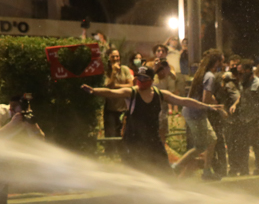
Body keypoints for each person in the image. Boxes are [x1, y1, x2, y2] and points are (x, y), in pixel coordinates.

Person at [82, 66, 219, 172]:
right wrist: (94, 91)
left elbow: (184, 101)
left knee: (164, 170)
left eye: (144, 78)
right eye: (138, 78)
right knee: (136, 171)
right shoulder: (132, 92)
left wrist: (206, 106)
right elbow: (111, 93)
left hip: (153, 140)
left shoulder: (160, 94)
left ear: (151, 80)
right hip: (133, 141)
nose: (140, 81)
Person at [173, 50, 224, 179]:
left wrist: (215, 103)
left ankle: (207, 171)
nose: (222, 64)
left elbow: (206, 96)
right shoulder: (210, 76)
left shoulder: (203, 74)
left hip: (193, 111)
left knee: (212, 139)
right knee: (200, 146)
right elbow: (205, 99)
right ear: (216, 62)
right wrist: (216, 108)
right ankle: (176, 167)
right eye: (221, 61)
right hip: (196, 113)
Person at [228, 60, 259, 176]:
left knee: (255, 142)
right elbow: (242, 95)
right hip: (243, 117)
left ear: (248, 71)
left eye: (242, 72)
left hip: (254, 118)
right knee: (243, 143)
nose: (240, 74)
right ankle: (244, 168)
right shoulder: (244, 82)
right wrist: (235, 104)